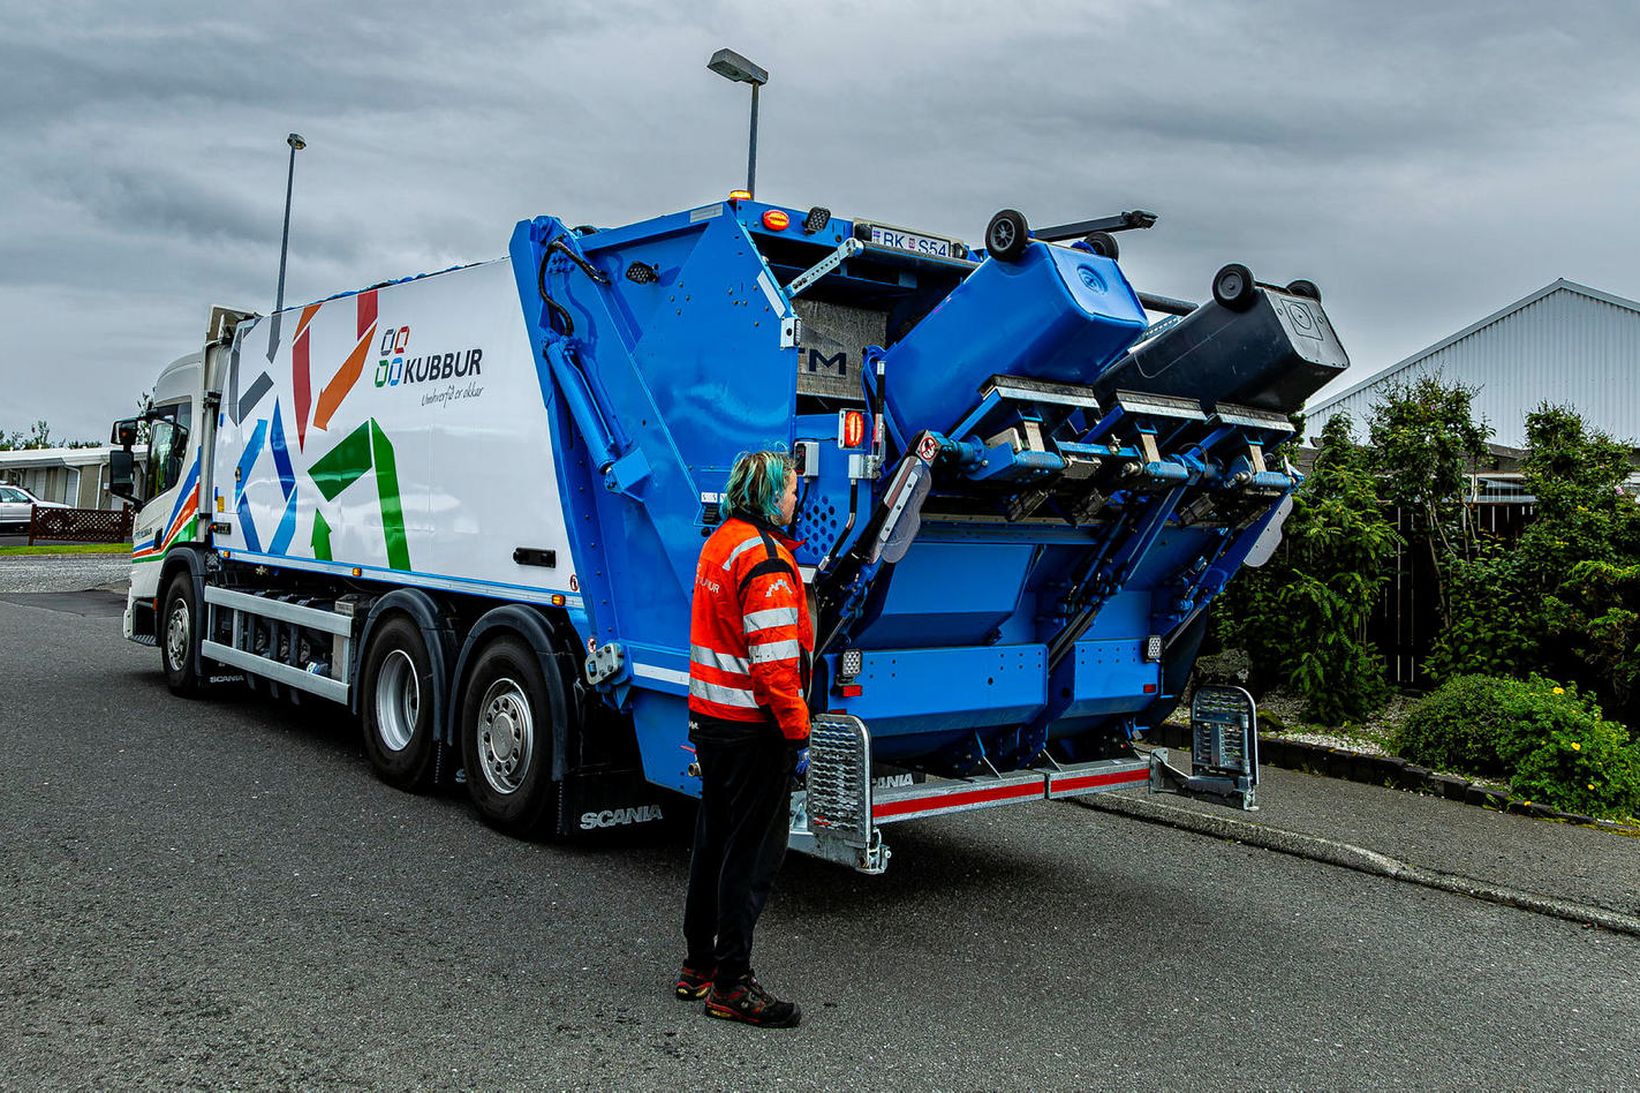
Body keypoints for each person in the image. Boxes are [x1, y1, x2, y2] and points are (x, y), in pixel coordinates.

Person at [675, 450, 812, 1029]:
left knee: (713, 844)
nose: (796, 498)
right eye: (790, 489)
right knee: (751, 857)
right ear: (768, 494)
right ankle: (732, 984)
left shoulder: (720, 544)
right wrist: (798, 734)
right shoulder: (768, 563)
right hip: (754, 733)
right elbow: (776, 668)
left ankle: (698, 966)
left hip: (712, 724)